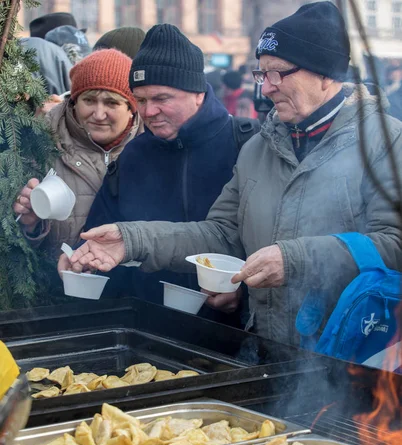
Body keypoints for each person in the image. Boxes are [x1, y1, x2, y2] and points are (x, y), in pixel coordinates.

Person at [64, 2, 402, 348]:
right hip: (268, 353)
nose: (266, 88)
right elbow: (221, 235)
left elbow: (395, 244)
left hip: (359, 357)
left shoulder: (387, 143)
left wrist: (295, 260)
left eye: (277, 73)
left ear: (326, 74)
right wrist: (130, 240)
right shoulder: (259, 148)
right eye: (262, 74)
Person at [58, 24, 259, 320]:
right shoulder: (134, 156)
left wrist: (245, 296)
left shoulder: (248, 144)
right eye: (140, 100)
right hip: (150, 333)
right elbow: (101, 233)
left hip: (236, 339)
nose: (148, 112)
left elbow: (278, 247)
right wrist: (80, 258)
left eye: (162, 98)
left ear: (198, 94)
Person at [13, 49, 143, 259]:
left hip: (136, 290)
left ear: (131, 108)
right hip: (59, 286)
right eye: (89, 100)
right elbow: (17, 255)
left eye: (112, 103)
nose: (99, 114)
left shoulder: (156, 149)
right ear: (74, 103)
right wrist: (30, 226)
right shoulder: (41, 144)